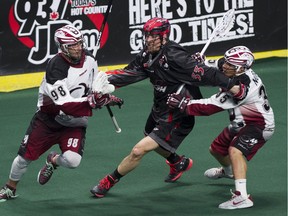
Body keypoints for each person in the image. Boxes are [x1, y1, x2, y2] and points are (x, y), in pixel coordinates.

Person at [90, 17, 244, 198]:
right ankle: (178, 162)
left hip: (178, 111)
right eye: (147, 35)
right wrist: (106, 83)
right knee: (150, 137)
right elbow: (130, 72)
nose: (148, 40)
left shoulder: (175, 56)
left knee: (139, 150)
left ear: (164, 36)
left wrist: (233, 87)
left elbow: (208, 74)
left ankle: (108, 181)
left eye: (154, 36)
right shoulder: (146, 54)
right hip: (160, 106)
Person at [0, 24, 123, 202]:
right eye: (72, 45)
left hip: (75, 122)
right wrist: (93, 102)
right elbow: (64, 104)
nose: (78, 48)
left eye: (79, 43)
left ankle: (53, 160)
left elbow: (93, 85)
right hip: (47, 120)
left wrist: (103, 95)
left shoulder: (90, 59)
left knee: (73, 161)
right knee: (24, 158)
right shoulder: (55, 68)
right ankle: (10, 187)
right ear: (62, 47)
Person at [167, 46, 275, 209]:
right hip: (240, 123)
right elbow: (216, 66)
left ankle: (242, 197)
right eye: (226, 61)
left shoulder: (243, 90)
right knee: (216, 149)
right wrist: (200, 63)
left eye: (230, 64)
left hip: (259, 125)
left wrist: (183, 104)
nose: (225, 65)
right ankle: (230, 172)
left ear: (240, 68)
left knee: (235, 151)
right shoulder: (235, 69)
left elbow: (209, 106)